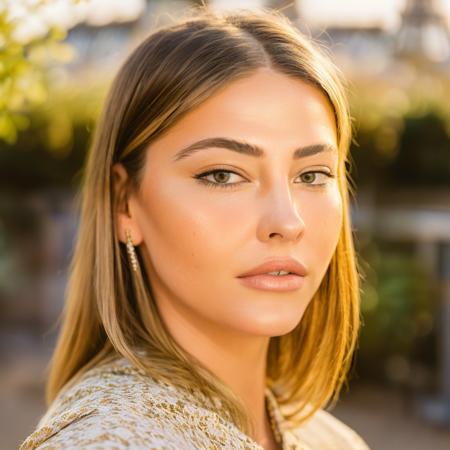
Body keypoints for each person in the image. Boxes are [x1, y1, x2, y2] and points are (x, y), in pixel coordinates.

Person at [20, 6, 370, 450]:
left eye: (312, 175)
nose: (286, 221)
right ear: (123, 202)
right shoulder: (105, 440)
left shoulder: (331, 440)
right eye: (222, 175)